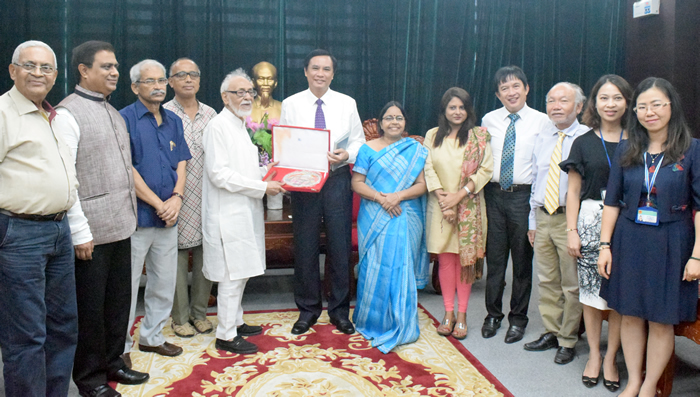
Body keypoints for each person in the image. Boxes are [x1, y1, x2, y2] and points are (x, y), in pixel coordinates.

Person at [54, 40, 149, 397]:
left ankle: (114, 363)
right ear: (83, 70)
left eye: (115, 66)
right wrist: (79, 232)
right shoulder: (67, 114)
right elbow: (67, 178)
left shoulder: (111, 110)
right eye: (106, 67)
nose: (114, 73)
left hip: (120, 225)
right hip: (89, 232)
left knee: (117, 304)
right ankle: (91, 379)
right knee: (90, 312)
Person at [598, 77, 700, 397]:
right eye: (642, 106)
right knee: (629, 313)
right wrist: (604, 245)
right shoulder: (628, 148)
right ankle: (633, 382)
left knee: (660, 319)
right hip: (629, 238)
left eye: (656, 104)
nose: (648, 112)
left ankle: (650, 386)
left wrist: (697, 254)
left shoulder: (692, 149)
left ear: (672, 106)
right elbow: (612, 201)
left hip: (673, 240)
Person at [0, 40, 79, 397]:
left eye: (46, 68)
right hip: (19, 234)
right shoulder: (3, 114)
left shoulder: (53, 115)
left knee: (63, 327)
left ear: (55, 75)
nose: (38, 73)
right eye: (29, 65)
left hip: (59, 230)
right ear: (12, 70)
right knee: (26, 336)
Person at [280, 49, 365, 336]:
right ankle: (307, 310)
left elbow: (359, 141)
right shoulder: (291, 104)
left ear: (333, 73)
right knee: (305, 246)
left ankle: (340, 312)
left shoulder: (346, 103)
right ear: (305, 71)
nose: (320, 73)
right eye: (315, 68)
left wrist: (346, 154)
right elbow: (284, 140)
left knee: (340, 247)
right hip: (304, 181)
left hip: (337, 178)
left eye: (326, 69)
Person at [202, 68, 285, 354]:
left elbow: (246, 169)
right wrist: (264, 188)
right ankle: (226, 335)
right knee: (231, 276)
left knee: (242, 273)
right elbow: (219, 175)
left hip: (245, 211)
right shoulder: (217, 126)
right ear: (225, 97)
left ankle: (235, 322)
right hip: (228, 214)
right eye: (240, 92)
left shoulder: (239, 125)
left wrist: (273, 172)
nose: (248, 96)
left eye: (249, 91)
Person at [559, 74, 632, 391]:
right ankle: (594, 355)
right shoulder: (583, 141)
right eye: (604, 97)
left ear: (627, 102)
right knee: (590, 295)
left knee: (618, 296)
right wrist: (571, 230)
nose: (610, 104)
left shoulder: (639, 141)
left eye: (617, 97)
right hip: (589, 222)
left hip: (628, 225)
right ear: (594, 103)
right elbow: (572, 193)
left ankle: (612, 357)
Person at [120, 59, 190, 358]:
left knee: (163, 283)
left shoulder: (173, 120)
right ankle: (119, 347)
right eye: (151, 81)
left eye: (162, 81)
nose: (159, 86)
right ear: (135, 87)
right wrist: (159, 203)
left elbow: (183, 161)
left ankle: (152, 336)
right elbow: (127, 170)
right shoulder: (123, 119)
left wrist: (176, 197)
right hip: (136, 218)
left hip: (168, 217)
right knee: (126, 287)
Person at [351, 101, 429, 353]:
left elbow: (422, 185)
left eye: (399, 118)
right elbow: (357, 183)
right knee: (374, 264)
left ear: (405, 122)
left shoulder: (415, 149)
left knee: (400, 266)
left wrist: (398, 196)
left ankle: (401, 321)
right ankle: (370, 319)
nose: (394, 122)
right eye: (389, 118)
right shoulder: (367, 148)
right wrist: (382, 198)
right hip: (374, 213)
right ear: (380, 122)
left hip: (405, 213)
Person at [481, 66, 550, 343]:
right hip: (493, 195)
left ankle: (518, 319)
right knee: (495, 261)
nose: (511, 92)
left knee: (522, 263)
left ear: (526, 88)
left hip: (524, 197)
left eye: (515, 86)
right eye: (504, 88)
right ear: (498, 94)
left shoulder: (542, 121)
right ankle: (493, 314)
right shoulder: (489, 119)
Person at [524, 82, 587, 365]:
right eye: (551, 101)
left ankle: (568, 338)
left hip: (569, 219)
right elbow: (537, 178)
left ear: (579, 107)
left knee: (571, 284)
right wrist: (532, 221)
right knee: (547, 280)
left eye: (564, 100)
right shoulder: (543, 135)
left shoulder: (587, 138)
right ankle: (552, 330)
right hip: (542, 216)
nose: (556, 106)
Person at [424, 87, 493, 340]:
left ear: (468, 110)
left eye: (462, 107)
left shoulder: (479, 136)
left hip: (469, 206)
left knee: (464, 262)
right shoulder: (433, 135)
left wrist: (458, 197)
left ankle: (462, 315)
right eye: (452, 107)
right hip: (440, 207)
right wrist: (445, 199)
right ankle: (448, 313)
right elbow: (428, 167)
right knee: (445, 260)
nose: (457, 112)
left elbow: (484, 171)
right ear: (444, 110)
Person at [163, 58, 217, 338]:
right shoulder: (163, 113)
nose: (188, 80)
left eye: (193, 74)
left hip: (207, 193)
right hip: (176, 193)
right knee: (176, 256)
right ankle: (179, 317)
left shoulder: (211, 114)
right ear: (170, 81)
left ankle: (200, 314)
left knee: (206, 256)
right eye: (181, 75)